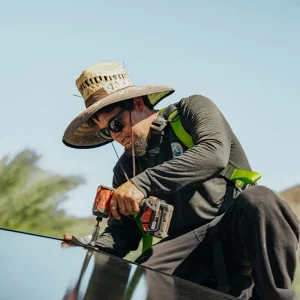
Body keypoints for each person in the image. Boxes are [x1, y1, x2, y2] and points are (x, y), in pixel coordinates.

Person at [62, 61, 299, 300]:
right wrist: (89, 250)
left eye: (115, 124)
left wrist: (142, 184)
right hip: (188, 248)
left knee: (260, 200)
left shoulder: (191, 110)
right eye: (106, 132)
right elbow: (122, 233)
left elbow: (214, 154)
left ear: (138, 103)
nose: (115, 136)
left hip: (235, 228)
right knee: (147, 270)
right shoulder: (124, 170)